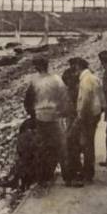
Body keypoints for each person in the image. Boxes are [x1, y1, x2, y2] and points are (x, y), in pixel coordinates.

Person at [23, 56, 70, 188]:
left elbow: (28, 101)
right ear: (47, 65)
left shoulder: (34, 81)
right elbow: (64, 97)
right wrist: (62, 111)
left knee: (43, 148)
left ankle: (44, 178)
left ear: (36, 67)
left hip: (40, 116)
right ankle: (68, 177)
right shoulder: (57, 79)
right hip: (55, 116)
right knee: (61, 147)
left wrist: (32, 114)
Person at [74, 57, 105, 183]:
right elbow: (102, 98)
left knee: (86, 144)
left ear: (78, 67)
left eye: (75, 68)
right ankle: (88, 171)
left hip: (88, 115)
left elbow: (85, 100)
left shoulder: (85, 80)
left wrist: (80, 116)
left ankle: (87, 172)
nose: (75, 71)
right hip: (95, 113)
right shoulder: (94, 77)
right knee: (89, 143)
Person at [60, 58, 83, 186]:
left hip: (73, 120)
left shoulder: (70, 92)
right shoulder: (75, 89)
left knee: (70, 146)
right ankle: (73, 174)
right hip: (73, 119)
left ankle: (71, 176)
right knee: (74, 147)